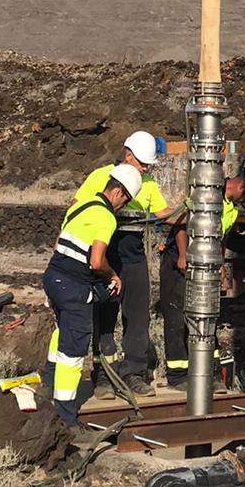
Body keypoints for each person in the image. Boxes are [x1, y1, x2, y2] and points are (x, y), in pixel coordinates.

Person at [43, 162, 143, 426]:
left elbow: (59, 243)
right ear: (119, 193)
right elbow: (97, 261)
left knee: (60, 330)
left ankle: (47, 389)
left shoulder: (81, 205)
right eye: (126, 201)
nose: (123, 206)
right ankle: (64, 416)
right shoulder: (106, 217)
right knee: (73, 351)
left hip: (53, 276)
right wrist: (112, 276)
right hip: (73, 286)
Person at [73, 131, 167, 393]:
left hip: (133, 255)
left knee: (137, 314)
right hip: (106, 251)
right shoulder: (101, 176)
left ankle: (134, 373)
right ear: (128, 155)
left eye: (148, 164)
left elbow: (163, 214)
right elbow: (78, 206)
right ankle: (104, 375)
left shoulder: (147, 182)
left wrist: (192, 208)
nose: (146, 168)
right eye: (142, 162)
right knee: (104, 313)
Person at [158, 174, 245, 390]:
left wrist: (221, 268)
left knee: (207, 316)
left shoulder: (231, 210)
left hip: (205, 264)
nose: (242, 203)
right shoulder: (205, 194)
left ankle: (212, 371)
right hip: (179, 260)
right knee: (176, 315)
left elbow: (222, 238)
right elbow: (180, 224)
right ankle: (178, 374)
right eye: (243, 197)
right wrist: (182, 255)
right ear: (239, 186)